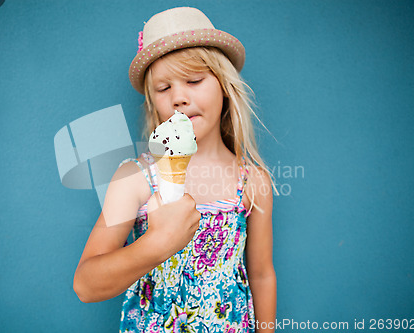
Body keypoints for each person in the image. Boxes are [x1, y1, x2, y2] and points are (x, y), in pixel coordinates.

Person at [73, 7, 278, 333]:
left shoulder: (252, 183)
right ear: (153, 101)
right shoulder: (135, 179)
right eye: (163, 88)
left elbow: (262, 273)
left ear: (224, 86)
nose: (179, 97)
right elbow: (86, 284)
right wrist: (155, 245)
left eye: (194, 80)